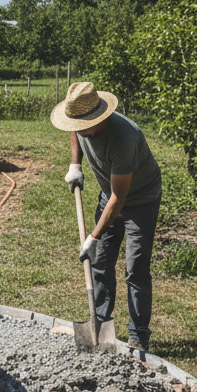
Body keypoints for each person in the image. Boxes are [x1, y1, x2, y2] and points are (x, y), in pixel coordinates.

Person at [51, 81, 162, 352]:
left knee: (135, 269)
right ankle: (99, 322)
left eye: (82, 123)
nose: (77, 128)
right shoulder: (81, 124)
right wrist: (75, 164)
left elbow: (119, 198)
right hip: (109, 195)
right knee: (100, 263)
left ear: (98, 118)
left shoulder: (123, 138)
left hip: (140, 201)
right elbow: (74, 129)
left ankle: (138, 336)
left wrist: (94, 235)